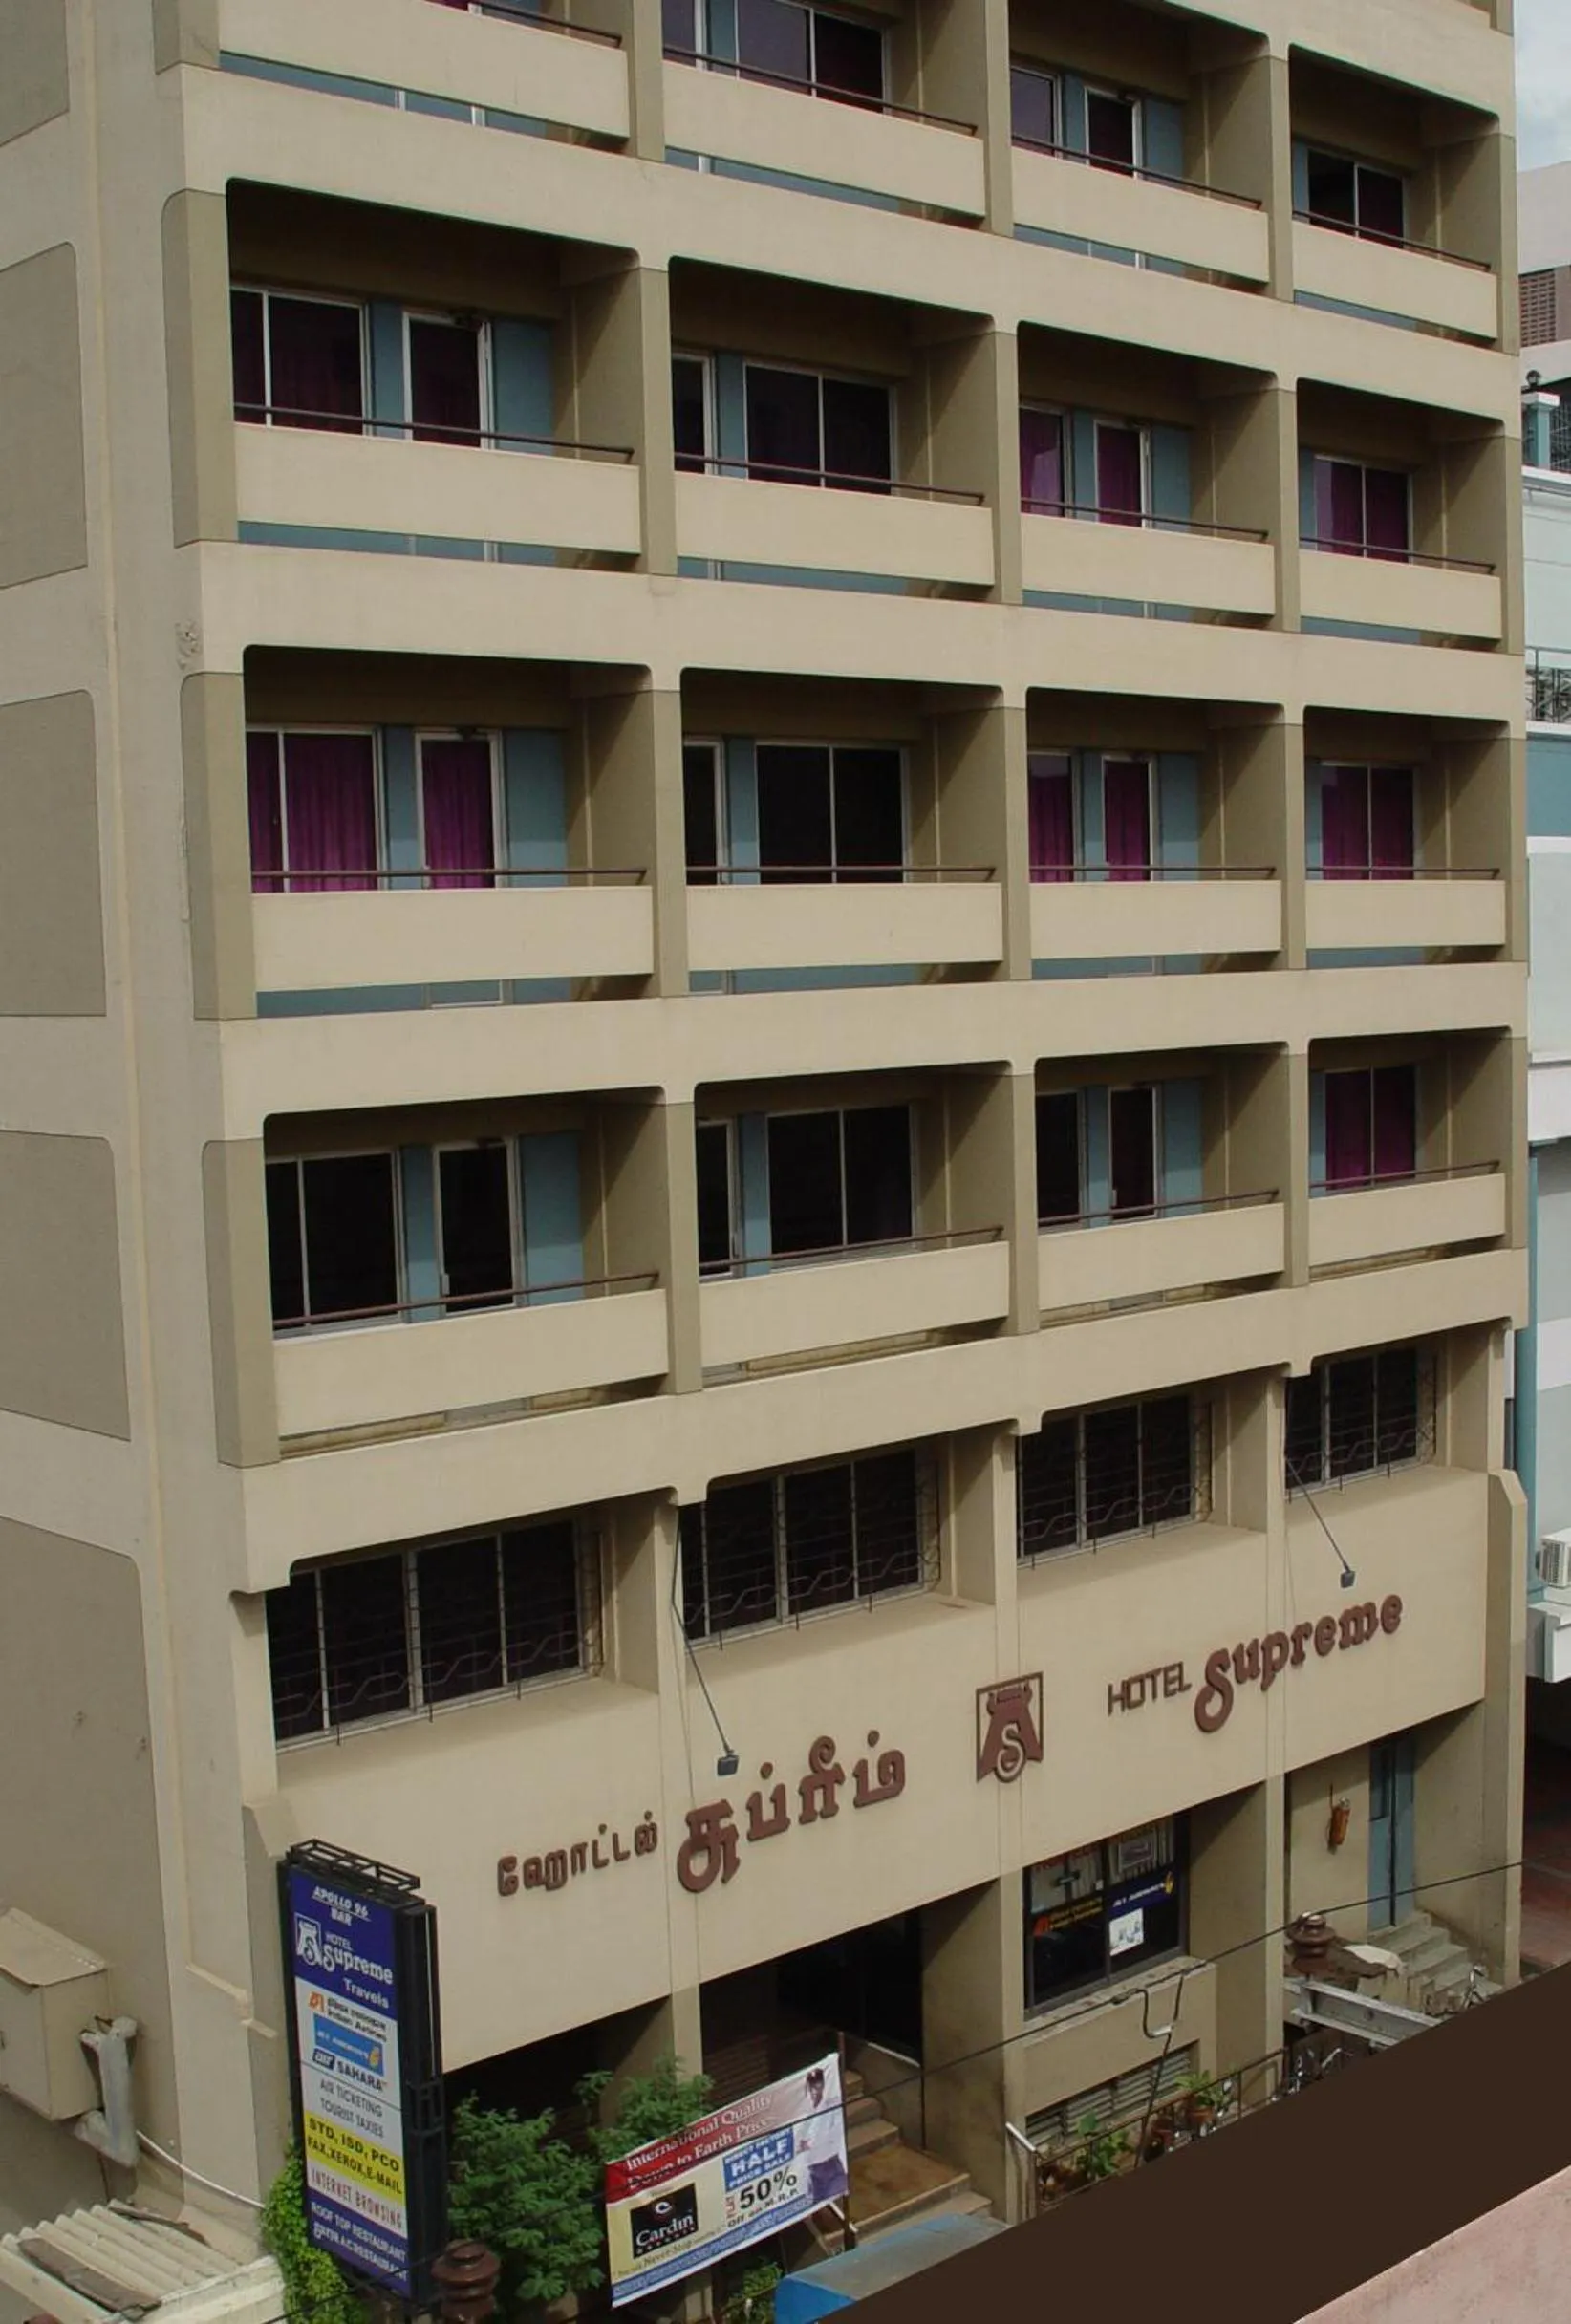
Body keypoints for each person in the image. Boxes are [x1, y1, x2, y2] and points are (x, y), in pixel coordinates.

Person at [794, 2065, 848, 2207]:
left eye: (818, 2086)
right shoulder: (806, 2112)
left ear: (823, 2085)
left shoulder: (832, 2105)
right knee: (813, 2207)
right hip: (811, 2170)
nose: (815, 2090)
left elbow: (835, 2134)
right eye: (812, 2086)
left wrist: (811, 2144)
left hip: (829, 2164)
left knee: (836, 2196)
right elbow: (797, 2139)